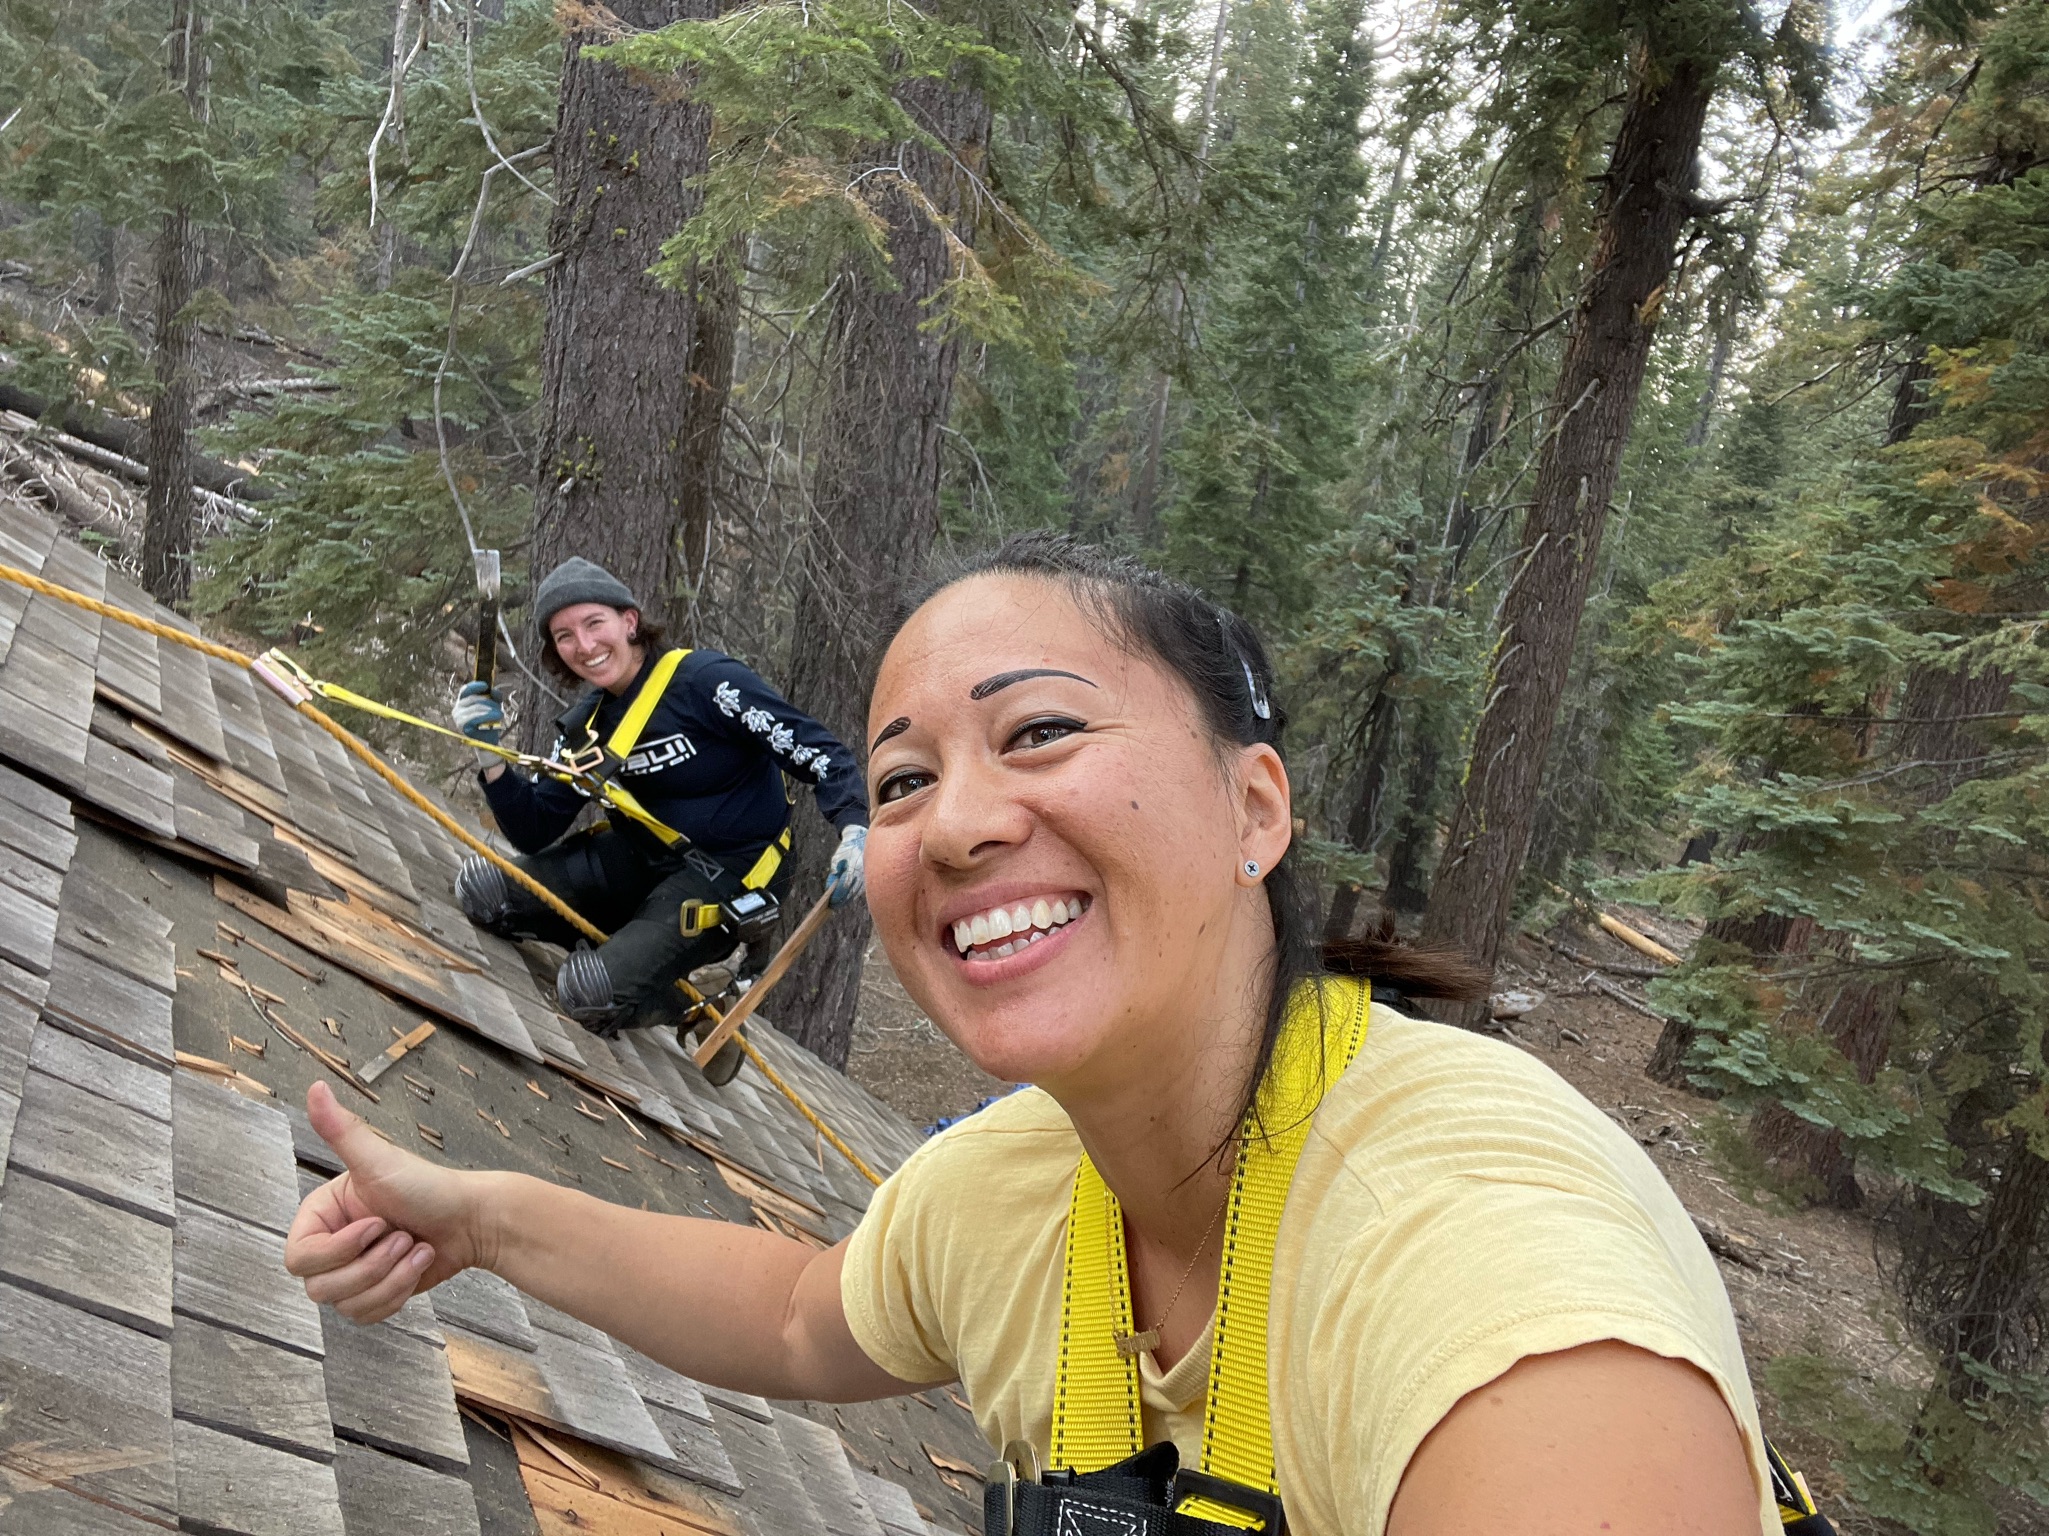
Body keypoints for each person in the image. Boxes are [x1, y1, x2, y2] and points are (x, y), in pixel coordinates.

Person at [290, 534, 1791, 1535]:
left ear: (1253, 808)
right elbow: (805, 1313)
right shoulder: (1023, 1186)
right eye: (901, 786)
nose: (956, 825)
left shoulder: (1480, 1260)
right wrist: (479, 1222)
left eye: (1042, 733)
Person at [451, 556, 868, 1080]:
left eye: (593, 623)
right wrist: (490, 759)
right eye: (564, 636)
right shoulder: (585, 731)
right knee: (483, 890)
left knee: (588, 994)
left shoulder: (708, 684)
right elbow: (534, 829)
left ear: (629, 622)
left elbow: (817, 750)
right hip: (635, 860)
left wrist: (854, 828)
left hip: (725, 876)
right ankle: (643, 964)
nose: (583, 646)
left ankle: (686, 1005)